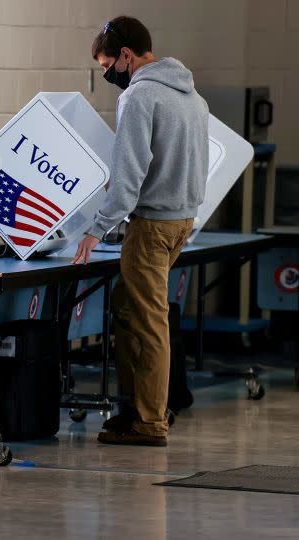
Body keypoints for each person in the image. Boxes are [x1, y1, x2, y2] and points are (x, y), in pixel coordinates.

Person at [71, 16, 208, 446]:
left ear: (126, 56)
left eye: (108, 64)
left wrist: (97, 228)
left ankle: (149, 422)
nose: (108, 74)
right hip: (181, 219)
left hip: (150, 226)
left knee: (148, 323)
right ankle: (136, 408)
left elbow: (129, 174)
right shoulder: (192, 97)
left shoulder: (139, 96)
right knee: (128, 307)